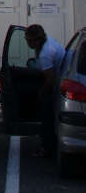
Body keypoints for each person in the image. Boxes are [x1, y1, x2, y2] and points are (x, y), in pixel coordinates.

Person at [24, 24, 67, 158]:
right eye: (27, 39)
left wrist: (41, 93)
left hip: (57, 84)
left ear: (39, 39)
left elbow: (49, 81)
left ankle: (47, 147)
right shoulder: (47, 41)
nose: (28, 42)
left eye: (31, 40)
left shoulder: (46, 55)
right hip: (60, 79)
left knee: (45, 111)